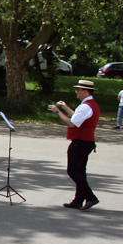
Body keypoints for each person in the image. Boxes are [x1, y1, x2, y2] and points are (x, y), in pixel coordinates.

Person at [47, 79, 101, 211]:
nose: (76, 92)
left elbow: (71, 123)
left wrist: (57, 112)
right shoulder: (89, 105)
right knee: (80, 172)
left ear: (85, 91)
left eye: (78, 89)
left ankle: (90, 197)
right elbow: (76, 117)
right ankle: (78, 200)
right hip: (86, 142)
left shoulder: (86, 106)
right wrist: (65, 107)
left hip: (81, 142)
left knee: (73, 171)